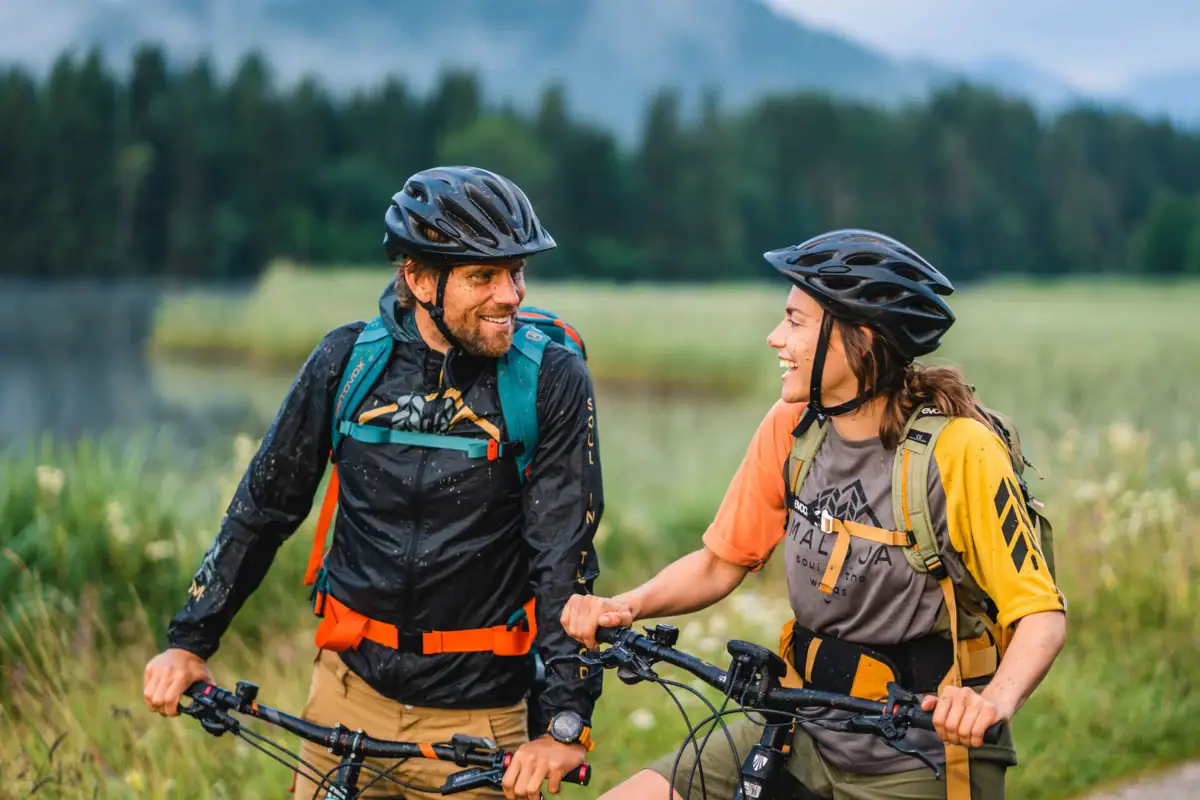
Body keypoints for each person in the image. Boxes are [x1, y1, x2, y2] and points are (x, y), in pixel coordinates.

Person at [142, 166, 604, 800]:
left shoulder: (550, 379)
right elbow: (264, 507)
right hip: (345, 699)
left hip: (480, 721)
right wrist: (189, 642)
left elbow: (563, 559)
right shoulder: (346, 361)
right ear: (418, 278)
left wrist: (565, 721)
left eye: (516, 272)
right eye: (483, 276)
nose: (510, 295)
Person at [562, 229, 1067, 799]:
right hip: (801, 727)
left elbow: (1040, 615)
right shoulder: (794, 427)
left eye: (795, 322)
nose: (775, 338)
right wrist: (625, 606)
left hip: (920, 754)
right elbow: (719, 563)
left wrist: (991, 702)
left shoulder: (958, 452)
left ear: (861, 339)